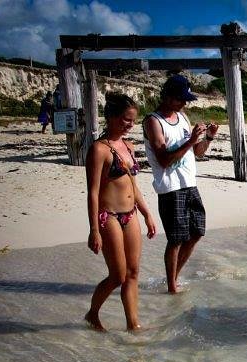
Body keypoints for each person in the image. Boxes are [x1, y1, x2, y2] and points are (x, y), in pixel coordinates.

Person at [85, 92, 157, 331]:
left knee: (134, 272)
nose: (130, 125)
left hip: (130, 214)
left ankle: (132, 324)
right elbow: (93, 192)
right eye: (126, 119)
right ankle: (93, 314)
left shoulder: (129, 146)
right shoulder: (99, 150)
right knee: (118, 276)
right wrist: (94, 229)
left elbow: (132, 185)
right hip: (109, 217)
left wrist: (146, 213)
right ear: (112, 117)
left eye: (133, 120)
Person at [143, 74, 218, 294]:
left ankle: (173, 277)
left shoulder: (182, 116)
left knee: (197, 232)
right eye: (180, 99)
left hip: (189, 184)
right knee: (176, 239)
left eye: (186, 100)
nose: (184, 103)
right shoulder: (153, 121)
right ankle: (171, 286)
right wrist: (190, 141)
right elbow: (163, 160)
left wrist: (208, 138)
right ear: (167, 96)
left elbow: (198, 153)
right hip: (170, 187)